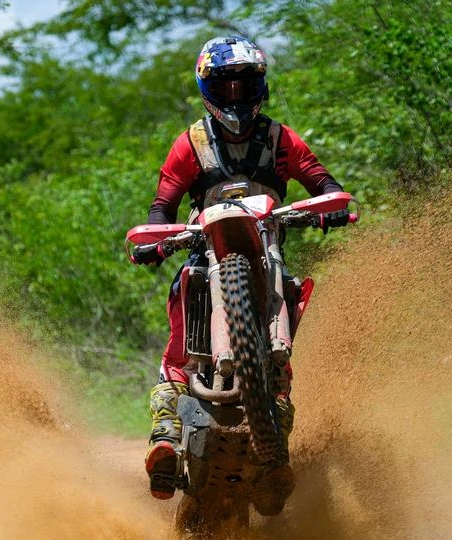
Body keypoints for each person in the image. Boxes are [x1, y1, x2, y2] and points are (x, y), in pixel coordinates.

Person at [132, 35, 348, 510]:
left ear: (260, 88)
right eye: (225, 87)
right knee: (177, 348)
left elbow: (323, 180)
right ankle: (165, 438)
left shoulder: (281, 139)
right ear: (208, 89)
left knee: (284, 355)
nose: (235, 97)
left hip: (266, 255)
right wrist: (153, 238)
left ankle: (277, 453)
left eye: (244, 86)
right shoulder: (191, 144)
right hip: (203, 255)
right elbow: (163, 203)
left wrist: (332, 206)